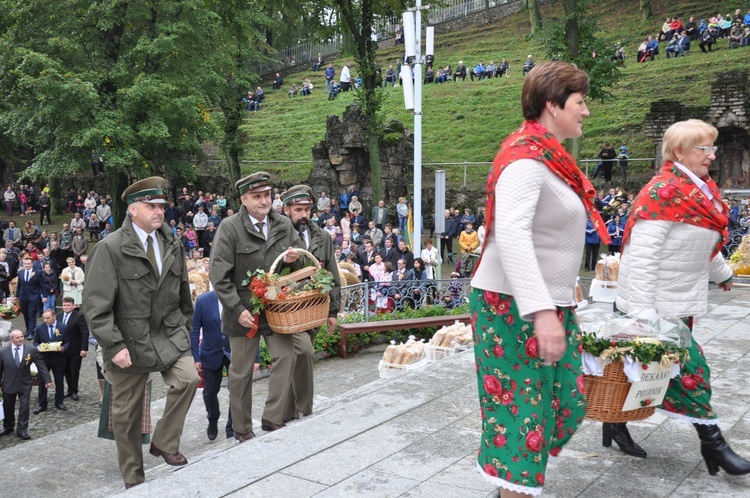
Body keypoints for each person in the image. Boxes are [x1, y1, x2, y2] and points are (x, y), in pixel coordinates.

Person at [470, 61, 610, 497]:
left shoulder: (548, 155)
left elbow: (549, 233)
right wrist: (541, 311)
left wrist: (561, 292)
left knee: (565, 401)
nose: (586, 111)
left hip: (545, 302)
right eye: (580, 102)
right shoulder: (526, 159)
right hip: (512, 304)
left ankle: (508, 481)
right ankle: (512, 487)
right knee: (522, 415)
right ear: (553, 105)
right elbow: (510, 234)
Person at [612, 119, 750, 475]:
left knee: (642, 373)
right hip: (655, 305)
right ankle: (714, 445)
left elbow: (702, 242)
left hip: (678, 300)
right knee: (691, 373)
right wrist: (644, 316)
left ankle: (612, 424)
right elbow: (641, 258)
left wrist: (723, 274)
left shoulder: (698, 192)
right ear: (679, 152)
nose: (712, 155)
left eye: (713, 147)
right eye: (703, 148)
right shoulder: (662, 193)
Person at [83, 177, 200, 489]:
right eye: (151, 206)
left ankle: (164, 441)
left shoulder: (171, 242)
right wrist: (113, 344)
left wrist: (185, 326)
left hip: (169, 334)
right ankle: (134, 477)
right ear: (133, 210)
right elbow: (96, 306)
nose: (159, 210)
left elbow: (183, 292)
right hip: (128, 342)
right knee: (127, 416)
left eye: (161, 205)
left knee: (188, 379)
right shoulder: (109, 248)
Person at [209, 172, 302, 442]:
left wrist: (294, 261)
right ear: (244, 199)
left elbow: (292, 268)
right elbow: (219, 277)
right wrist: (237, 310)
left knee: (286, 357)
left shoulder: (284, 224)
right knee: (240, 372)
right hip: (243, 313)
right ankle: (241, 428)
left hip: (275, 309)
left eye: (267, 195)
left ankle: (272, 417)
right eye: (257, 196)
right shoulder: (229, 228)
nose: (264, 201)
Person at [281, 185, 341, 422]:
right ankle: (303, 409)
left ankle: (286, 412)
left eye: (307, 209)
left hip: (314, 312)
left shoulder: (322, 236)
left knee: (297, 361)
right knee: (303, 353)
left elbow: (332, 274)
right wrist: (287, 262)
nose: (303, 215)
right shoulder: (279, 236)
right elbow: (270, 273)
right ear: (286, 210)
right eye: (298, 209)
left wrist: (333, 311)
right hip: (286, 311)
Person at [191, 289, 233, 441]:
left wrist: (255, 358)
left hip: (233, 353)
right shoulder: (202, 301)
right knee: (209, 393)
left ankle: (232, 427)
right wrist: (195, 357)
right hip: (210, 354)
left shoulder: (236, 297)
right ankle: (213, 419)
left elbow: (251, 327)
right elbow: (194, 330)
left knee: (236, 391)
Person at [0, 330, 51, 440]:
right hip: (9, 384)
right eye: (17, 337)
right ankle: (8, 426)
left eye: (22, 337)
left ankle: (22, 429)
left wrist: (47, 379)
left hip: (25, 383)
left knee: (24, 407)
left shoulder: (31, 350)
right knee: (8, 407)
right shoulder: (3, 352)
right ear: (11, 339)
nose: (20, 339)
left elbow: (41, 365)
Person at [33, 309, 69, 413]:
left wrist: (63, 348)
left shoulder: (63, 327)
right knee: (42, 381)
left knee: (59, 381)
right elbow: (36, 342)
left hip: (58, 359)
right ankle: (42, 404)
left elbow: (67, 342)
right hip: (44, 359)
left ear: (54, 317)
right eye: (44, 318)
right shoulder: (40, 328)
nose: (45, 320)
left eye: (48, 318)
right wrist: (38, 347)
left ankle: (59, 402)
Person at [59, 296, 88, 401]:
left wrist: (84, 348)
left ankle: (74, 390)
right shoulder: (59, 316)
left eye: (68, 305)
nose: (66, 307)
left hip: (75, 348)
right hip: (62, 349)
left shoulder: (79, 316)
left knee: (74, 370)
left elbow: (84, 333)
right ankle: (69, 389)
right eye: (64, 305)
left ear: (73, 306)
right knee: (66, 370)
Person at [17, 256, 42, 339]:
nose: (27, 265)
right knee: (25, 314)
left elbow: (42, 285)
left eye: (28, 264)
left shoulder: (37, 273)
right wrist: (17, 296)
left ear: (32, 264)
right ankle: (28, 330)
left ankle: (31, 331)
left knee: (31, 313)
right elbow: (19, 285)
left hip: (34, 296)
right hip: (23, 296)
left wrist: (43, 295)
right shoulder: (20, 272)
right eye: (25, 264)